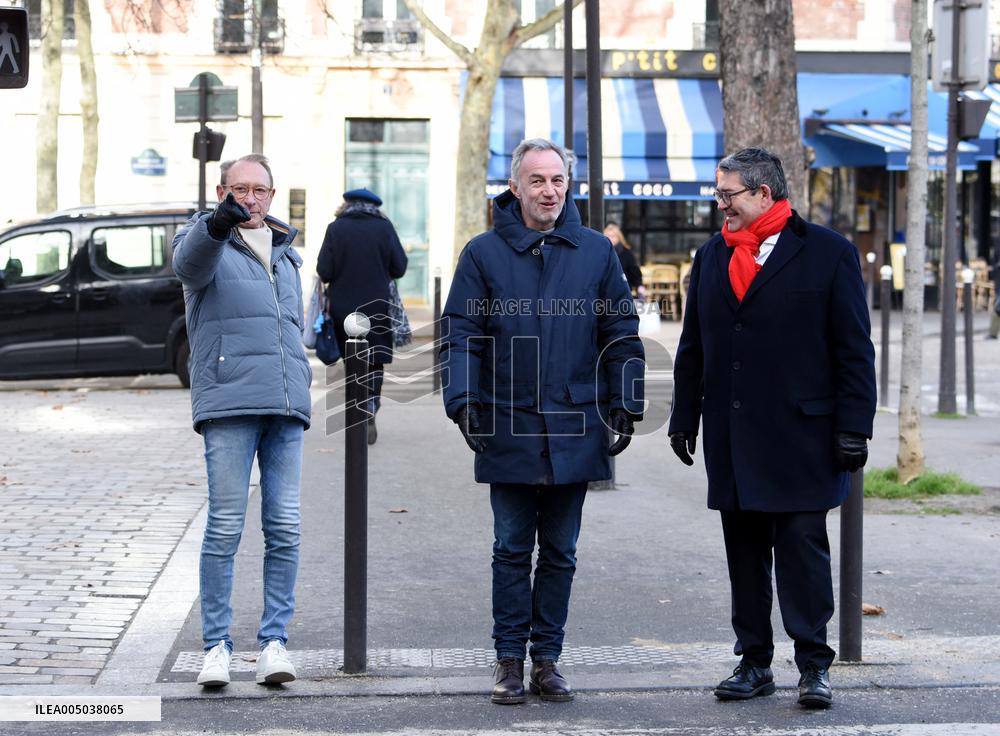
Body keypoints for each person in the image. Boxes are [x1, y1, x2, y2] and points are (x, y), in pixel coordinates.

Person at [667, 148, 876, 709]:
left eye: (727, 194)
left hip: (804, 438)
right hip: (734, 437)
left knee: (803, 553)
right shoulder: (711, 256)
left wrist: (855, 427)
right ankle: (754, 660)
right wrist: (684, 416)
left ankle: (813, 666)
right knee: (744, 553)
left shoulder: (828, 253)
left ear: (763, 193)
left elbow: (855, 350)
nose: (720, 205)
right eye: (719, 193)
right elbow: (695, 346)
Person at [440, 138, 645, 705]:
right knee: (510, 548)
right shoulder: (483, 254)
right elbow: (461, 333)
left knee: (560, 551)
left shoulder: (595, 252)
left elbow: (621, 333)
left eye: (557, 180)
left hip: (576, 422)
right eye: (537, 181)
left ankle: (547, 661)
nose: (549, 190)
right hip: (507, 420)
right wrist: (462, 401)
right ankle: (508, 660)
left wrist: (626, 400)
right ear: (516, 187)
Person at [172, 153, 313, 688]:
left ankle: (275, 642)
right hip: (229, 403)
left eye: (260, 190)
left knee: (284, 527)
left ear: (272, 195)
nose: (251, 199)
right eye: (240, 190)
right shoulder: (202, 240)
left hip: (284, 406)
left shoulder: (287, 253)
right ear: (222, 191)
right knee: (226, 526)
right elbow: (189, 267)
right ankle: (216, 647)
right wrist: (218, 222)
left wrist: (300, 386)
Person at [316, 188, 408, 445]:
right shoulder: (384, 228)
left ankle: (356, 410)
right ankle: (371, 407)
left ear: (346, 205)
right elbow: (399, 266)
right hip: (378, 306)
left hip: (344, 309)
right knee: (375, 361)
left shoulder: (336, 228)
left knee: (352, 361)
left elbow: (324, 270)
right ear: (375, 207)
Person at [604, 223, 643, 296]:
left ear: (619, 238)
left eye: (612, 236)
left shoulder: (626, 253)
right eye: (607, 236)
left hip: (623, 289)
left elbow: (634, 271)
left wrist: (639, 286)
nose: (609, 239)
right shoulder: (601, 252)